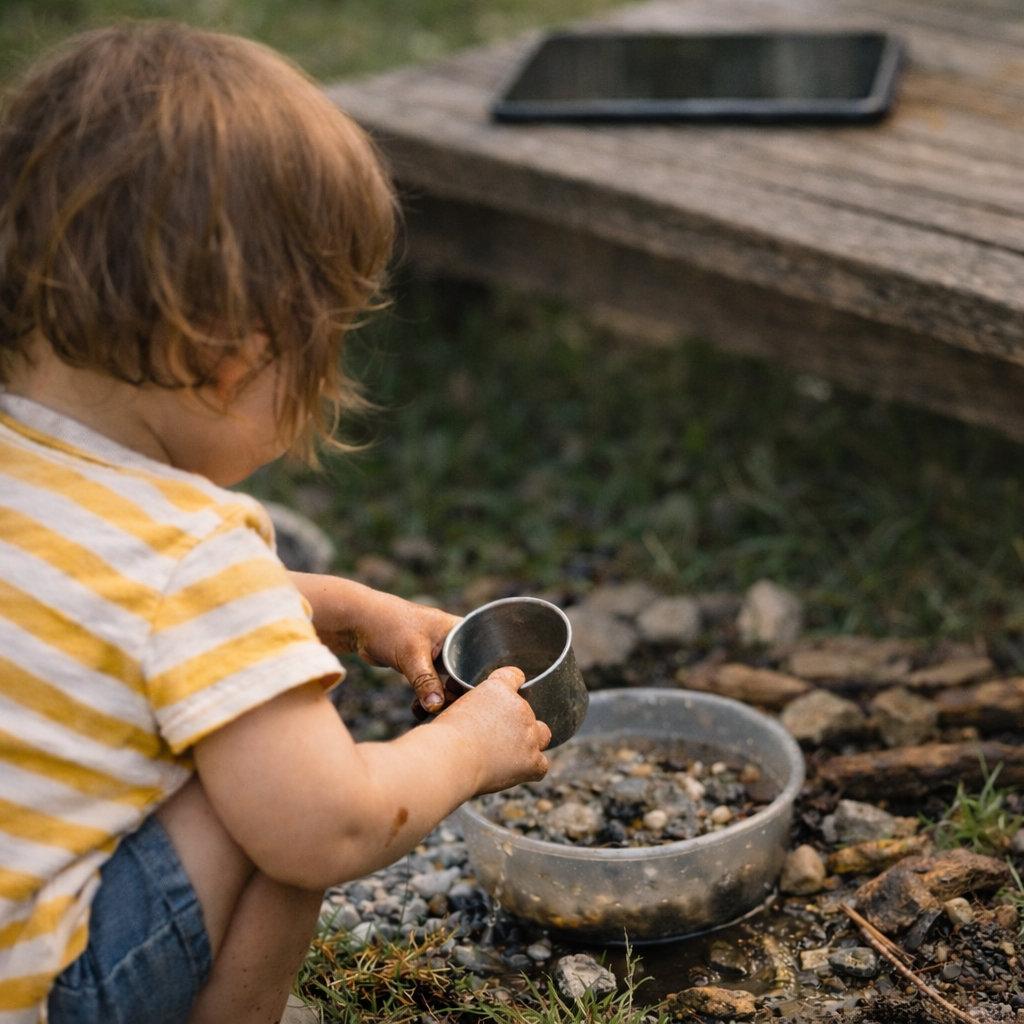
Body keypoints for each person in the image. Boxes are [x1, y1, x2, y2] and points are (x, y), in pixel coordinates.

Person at [0, 21, 550, 1024]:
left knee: (245, 688)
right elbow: (327, 826)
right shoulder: (198, 549)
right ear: (234, 357)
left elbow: (109, 607)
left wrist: (336, 604)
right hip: (52, 996)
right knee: (279, 759)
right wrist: (473, 743)